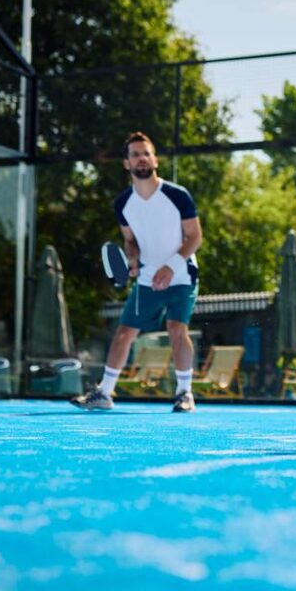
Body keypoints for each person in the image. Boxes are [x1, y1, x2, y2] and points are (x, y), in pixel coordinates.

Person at [72, 132, 203, 413]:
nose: (141, 158)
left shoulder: (178, 196)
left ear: (154, 159)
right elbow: (130, 241)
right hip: (146, 277)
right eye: (135, 154)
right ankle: (104, 394)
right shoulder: (122, 204)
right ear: (126, 164)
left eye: (146, 153)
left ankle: (184, 394)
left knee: (176, 329)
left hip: (181, 273)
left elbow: (194, 238)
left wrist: (170, 267)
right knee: (123, 333)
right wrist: (132, 259)